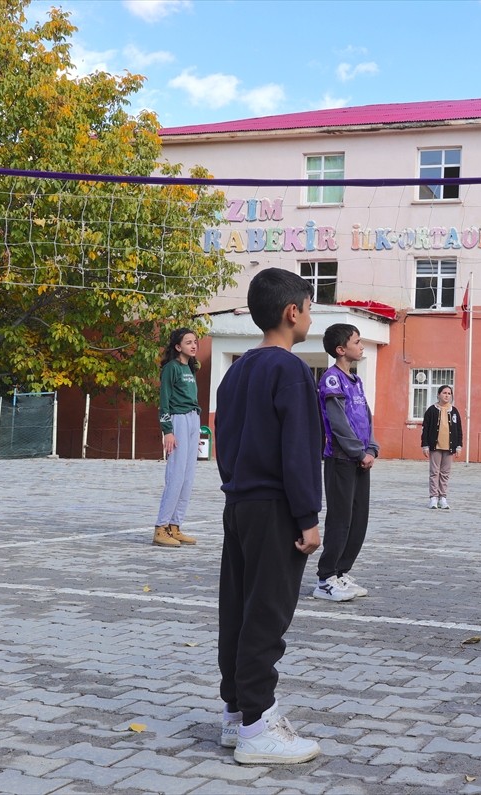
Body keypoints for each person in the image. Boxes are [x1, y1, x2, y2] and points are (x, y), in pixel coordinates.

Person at [214, 268, 323, 764]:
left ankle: (236, 713)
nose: (311, 318)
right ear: (291, 312)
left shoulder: (235, 371)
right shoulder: (290, 370)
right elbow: (298, 450)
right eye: (310, 308)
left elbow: (225, 441)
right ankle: (258, 728)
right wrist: (307, 516)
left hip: (238, 504)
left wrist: (237, 488)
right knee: (267, 615)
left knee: (238, 610)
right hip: (276, 508)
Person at [313, 323, 378, 602]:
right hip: (341, 460)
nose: (361, 346)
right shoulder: (332, 379)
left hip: (361, 460)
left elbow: (366, 417)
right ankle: (325, 578)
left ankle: (341, 572)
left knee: (358, 519)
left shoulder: (356, 380)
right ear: (341, 349)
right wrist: (357, 452)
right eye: (357, 342)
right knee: (340, 519)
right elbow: (338, 423)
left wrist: (371, 448)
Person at [153, 327, 201, 548]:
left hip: (193, 419)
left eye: (195, 342)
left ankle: (175, 526)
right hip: (178, 420)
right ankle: (161, 527)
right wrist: (168, 430)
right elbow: (164, 400)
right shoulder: (171, 368)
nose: (193, 345)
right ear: (178, 346)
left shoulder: (190, 367)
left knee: (188, 477)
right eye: (188, 342)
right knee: (176, 475)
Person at [420, 385, 462, 509]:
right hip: (435, 446)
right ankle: (433, 497)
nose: (447, 395)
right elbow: (425, 429)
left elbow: (459, 430)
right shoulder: (431, 410)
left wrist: (459, 446)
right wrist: (425, 445)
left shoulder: (454, 411)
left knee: (445, 473)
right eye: (444, 393)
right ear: (438, 394)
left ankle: (442, 498)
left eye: (449, 393)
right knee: (434, 472)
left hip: (449, 447)